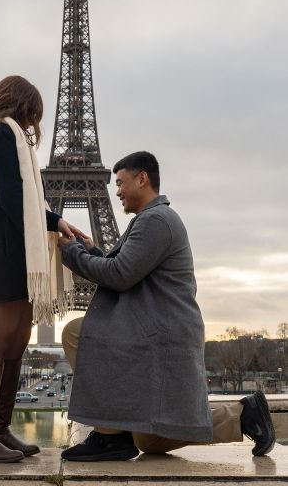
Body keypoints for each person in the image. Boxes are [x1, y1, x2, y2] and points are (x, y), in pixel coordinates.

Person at [58, 151, 276, 461]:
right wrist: (92, 251)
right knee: (151, 438)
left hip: (158, 335)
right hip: (155, 328)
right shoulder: (153, 219)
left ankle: (110, 437)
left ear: (142, 178)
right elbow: (130, 269)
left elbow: (120, 275)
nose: (116, 190)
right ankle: (243, 415)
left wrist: (73, 255)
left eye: (120, 182)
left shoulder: (156, 220)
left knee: (76, 333)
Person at [0, 75, 85, 463]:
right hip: (1, 247)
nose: (34, 123)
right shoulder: (1, 134)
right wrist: (48, 224)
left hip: (9, 243)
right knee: (1, 333)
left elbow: (21, 197)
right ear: (22, 105)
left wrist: (56, 221)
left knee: (19, 334)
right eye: (33, 113)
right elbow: (13, 195)